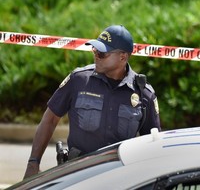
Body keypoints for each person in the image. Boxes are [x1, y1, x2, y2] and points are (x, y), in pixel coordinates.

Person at [23, 25, 161, 179]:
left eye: (102, 53)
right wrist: (33, 163)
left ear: (123, 57)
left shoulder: (144, 94)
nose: (96, 55)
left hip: (119, 178)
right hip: (76, 175)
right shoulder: (79, 80)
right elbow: (50, 119)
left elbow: (152, 144)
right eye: (95, 50)